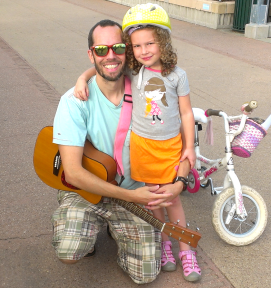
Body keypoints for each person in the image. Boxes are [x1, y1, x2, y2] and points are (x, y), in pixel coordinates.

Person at [51, 19, 190, 284]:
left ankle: (117, 231)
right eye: (101, 50)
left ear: (127, 52)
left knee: (146, 274)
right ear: (91, 54)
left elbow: (181, 144)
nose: (110, 56)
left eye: (117, 47)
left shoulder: (146, 87)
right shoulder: (73, 101)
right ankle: (87, 230)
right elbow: (73, 172)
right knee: (69, 250)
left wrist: (180, 182)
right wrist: (83, 77)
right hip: (88, 188)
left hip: (133, 192)